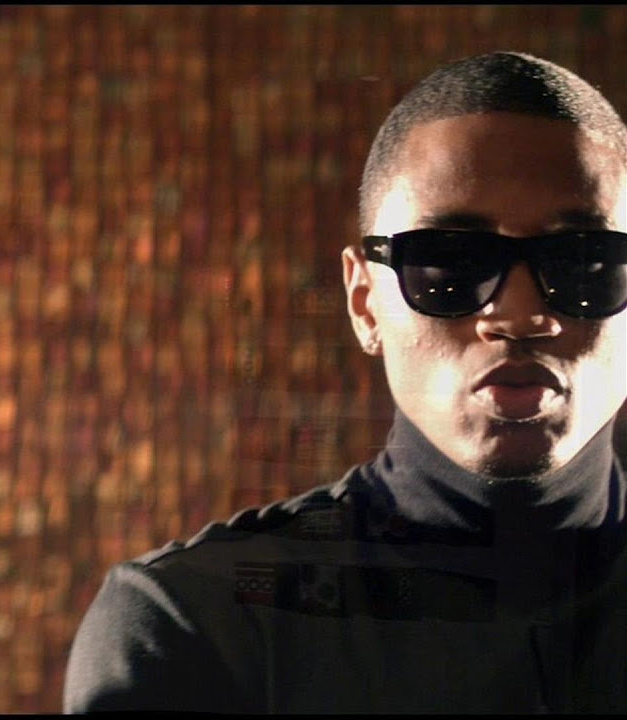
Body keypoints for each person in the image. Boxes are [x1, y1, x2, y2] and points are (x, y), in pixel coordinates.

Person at [64, 51, 627, 713]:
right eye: (448, 263)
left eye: (586, 261)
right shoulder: (199, 625)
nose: (519, 314)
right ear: (364, 303)